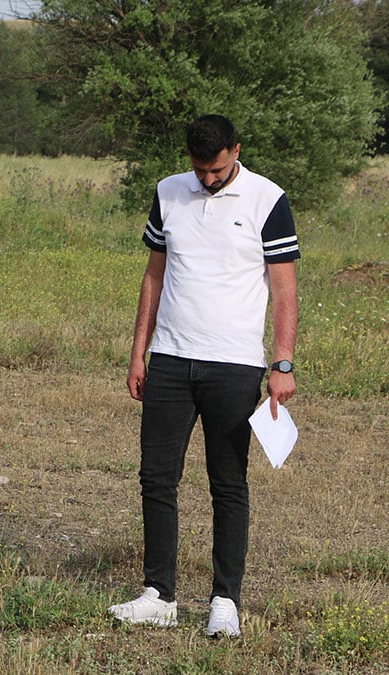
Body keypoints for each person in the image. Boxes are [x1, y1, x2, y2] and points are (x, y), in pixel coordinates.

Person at [108, 114, 299, 638]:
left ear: (236, 150)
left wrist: (281, 363)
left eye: (216, 169)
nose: (208, 179)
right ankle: (158, 594)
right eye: (199, 169)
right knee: (156, 477)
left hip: (236, 365)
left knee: (228, 483)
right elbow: (154, 275)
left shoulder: (268, 199)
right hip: (169, 358)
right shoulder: (169, 192)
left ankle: (225, 601)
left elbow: (284, 289)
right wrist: (138, 352)